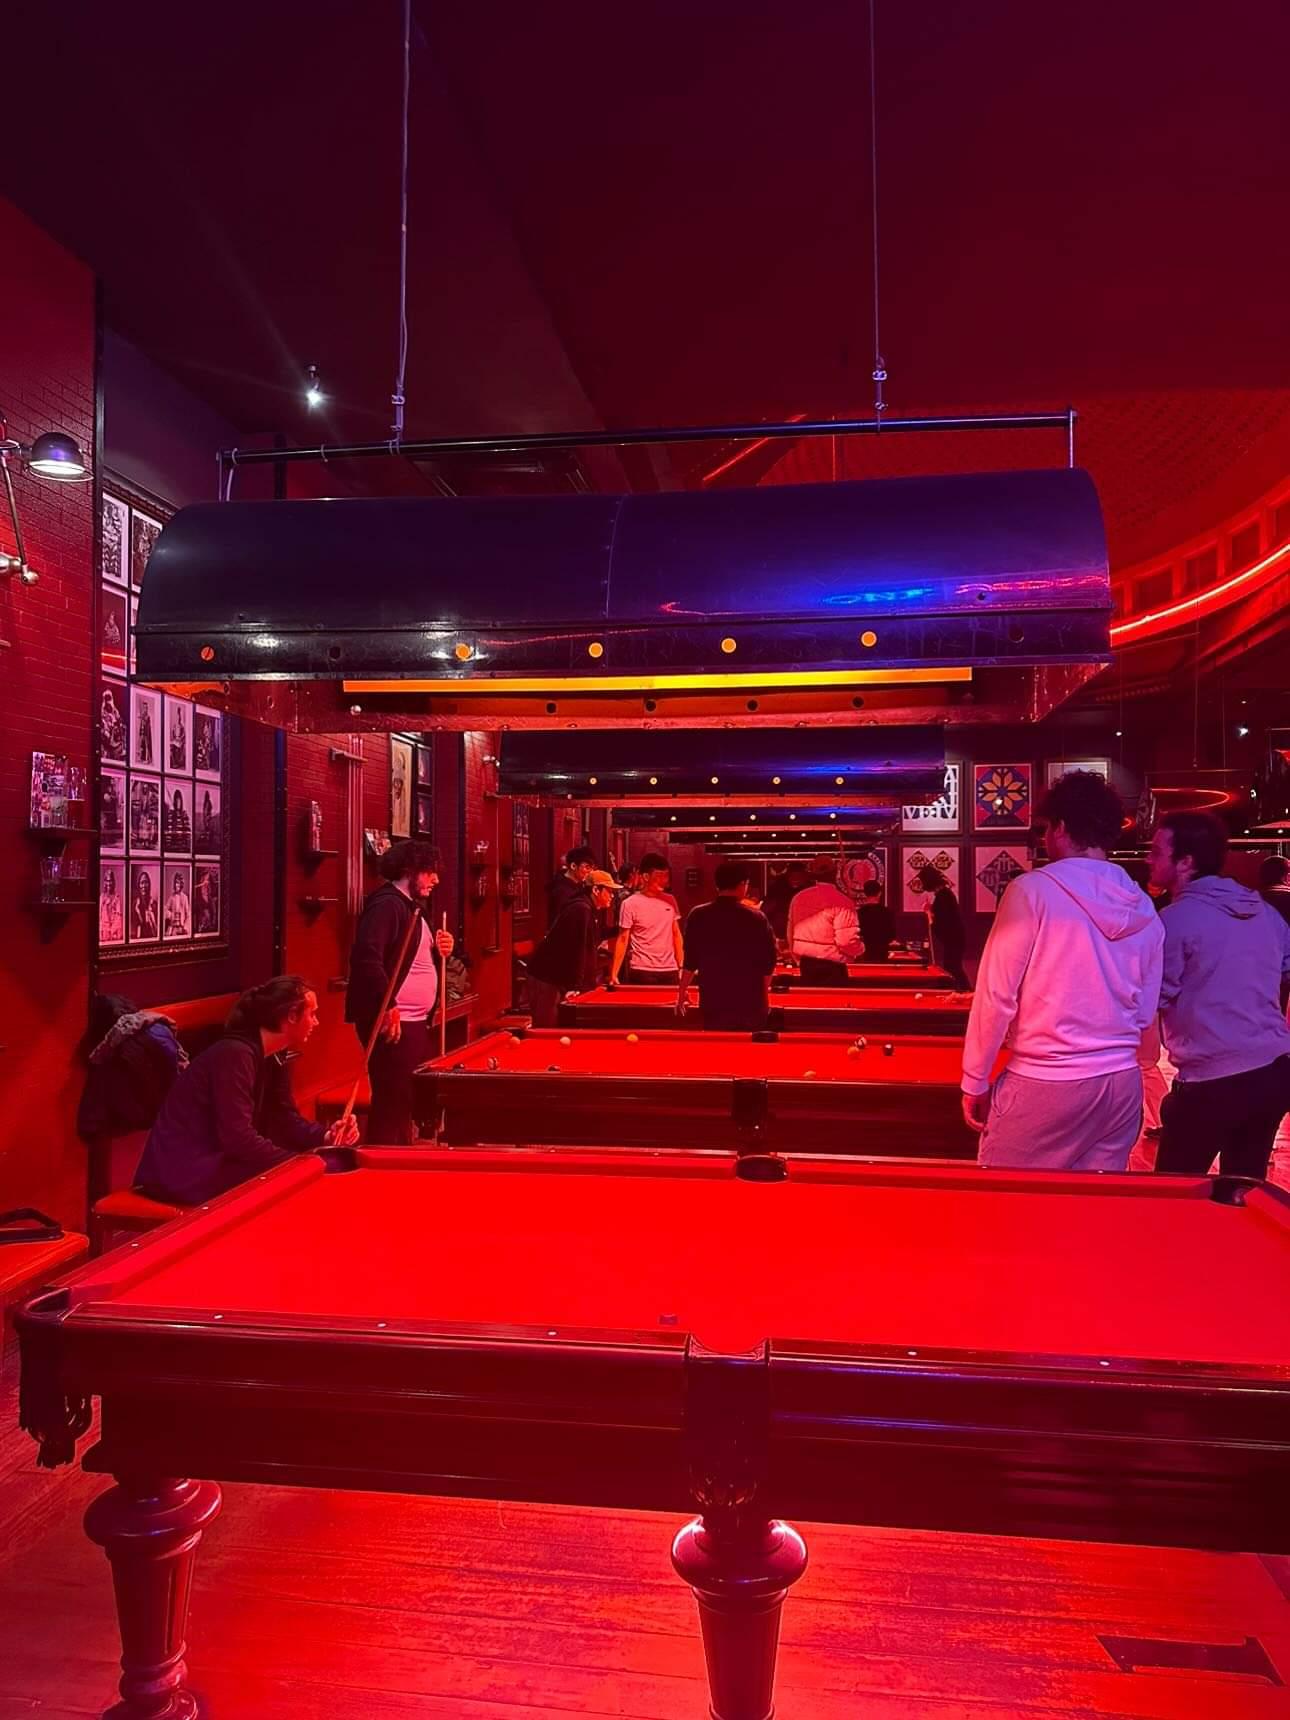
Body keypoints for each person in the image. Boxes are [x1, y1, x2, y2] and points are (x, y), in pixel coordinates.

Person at [962, 771, 1165, 1172]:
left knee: (1004, 1199)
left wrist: (975, 1079)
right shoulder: (1142, 904)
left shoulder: (1031, 890)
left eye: (1046, 828)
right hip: (1121, 1086)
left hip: (1046, 1079)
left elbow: (996, 995)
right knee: (1091, 1205)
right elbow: (1145, 1013)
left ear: (1061, 828)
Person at [1149, 811, 1290, 1180]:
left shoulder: (1175, 920)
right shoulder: (1264, 913)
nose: (1149, 860)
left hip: (1211, 1079)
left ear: (1185, 862)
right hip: (1273, 1070)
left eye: (1157, 852)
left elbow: (1154, 997)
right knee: (1244, 1190)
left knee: (1174, 1194)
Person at [136, 977, 357, 1207]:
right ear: (292, 1016)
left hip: (217, 1161)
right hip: (185, 1170)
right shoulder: (235, 1054)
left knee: (312, 1173)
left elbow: (285, 1120)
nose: (316, 1022)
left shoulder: (274, 1054)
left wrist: (326, 1136)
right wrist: (300, 1163)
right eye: (312, 1014)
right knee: (295, 1186)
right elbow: (237, 1138)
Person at [346, 839, 455, 1145]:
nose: (436, 879)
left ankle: (399, 1156)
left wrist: (442, 947)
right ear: (410, 870)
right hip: (394, 1021)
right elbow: (367, 957)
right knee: (392, 1101)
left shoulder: (412, 907)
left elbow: (412, 957)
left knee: (404, 1100)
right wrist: (388, 1006)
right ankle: (379, 1159)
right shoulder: (387, 905)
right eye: (430, 871)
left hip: (413, 1020)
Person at [678, 861, 778, 1031]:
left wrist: (681, 992)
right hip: (750, 1002)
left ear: (717, 885)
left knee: (717, 1046)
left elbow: (690, 960)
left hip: (713, 1000)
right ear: (742, 884)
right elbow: (768, 963)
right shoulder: (757, 918)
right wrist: (764, 997)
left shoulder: (698, 915)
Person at [526, 869, 617, 1026]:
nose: (612, 896)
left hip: (556, 978)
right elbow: (577, 949)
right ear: (596, 890)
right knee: (546, 1026)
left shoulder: (587, 908)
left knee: (556, 1024)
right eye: (609, 891)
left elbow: (594, 936)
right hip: (547, 977)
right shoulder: (581, 909)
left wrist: (621, 928)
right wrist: (574, 986)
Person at [610, 853, 683, 986]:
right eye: (659, 876)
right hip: (642, 970)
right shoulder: (629, 903)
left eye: (666, 876)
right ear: (645, 877)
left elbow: (676, 934)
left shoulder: (670, 900)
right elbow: (623, 939)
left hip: (670, 969)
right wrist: (614, 973)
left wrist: (681, 965)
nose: (664, 880)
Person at [787, 856, 862, 983]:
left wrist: (798, 959)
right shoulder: (843, 901)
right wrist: (860, 950)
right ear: (835, 873)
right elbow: (846, 941)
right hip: (833, 967)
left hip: (807, 965)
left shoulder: (798, 898)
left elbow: (790, 933)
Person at [918, 865, 970, 989]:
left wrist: (929, 914)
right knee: (952, 966)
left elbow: (943, 921)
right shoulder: (944, 894)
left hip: (953, 938)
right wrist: (932, 910)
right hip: (955, 938)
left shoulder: (943, 896)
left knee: (952, 967)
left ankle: (966, 991)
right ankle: (963, 991)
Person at [547, 845, 597, 921]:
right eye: (587, 867)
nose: (590, 872)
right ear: (573, 866)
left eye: (592, 869)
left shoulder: (580, 886)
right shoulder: (561, 890)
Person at [763, 862, 808, 943]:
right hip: (781, 932)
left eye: (798, 877)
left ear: (804, 877)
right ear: (787, 876)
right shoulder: (777, 888)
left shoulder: (809, 889)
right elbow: (766, 910)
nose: (795, 879)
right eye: (793, 876)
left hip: (802, 933)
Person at [858, 881, 895, 964]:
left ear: (865, 893)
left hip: (864, 954)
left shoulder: (859, 913)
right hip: (882, 953)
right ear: (879, 893)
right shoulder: (887, 912)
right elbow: (892, 935)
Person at [131, 869, 158, 940]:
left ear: (149, 885)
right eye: (141, 883)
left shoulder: (154, 904)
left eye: (146, 882)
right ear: (139, 885)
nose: (144, 886)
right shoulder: (135, 905)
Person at [164, 869, 191, 938]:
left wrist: (185, 927)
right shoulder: (172, 897)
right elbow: (165, 909)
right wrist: (170, 915)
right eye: (176, 883)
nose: (178, 885)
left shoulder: (185, 897)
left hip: (181, 926)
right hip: (173, 926)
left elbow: (188, 914)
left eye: (179, 883)